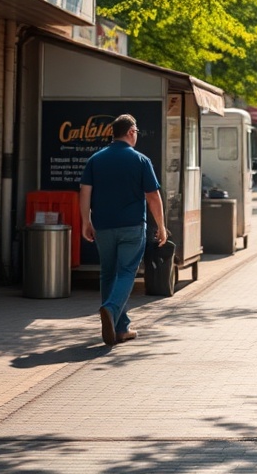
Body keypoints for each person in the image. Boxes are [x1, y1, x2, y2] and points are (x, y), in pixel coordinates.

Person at [80, 114, 168, 346]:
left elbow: (85, 192)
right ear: (130, 132)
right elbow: (152, 196)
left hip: (104, 227)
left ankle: (120, 328)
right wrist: (161, 226)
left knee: (108, 273)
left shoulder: (95, 160)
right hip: (132, 227)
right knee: (127, 272)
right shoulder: (140, 160)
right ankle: (110, 309)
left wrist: (85, 222)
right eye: (136, 131)